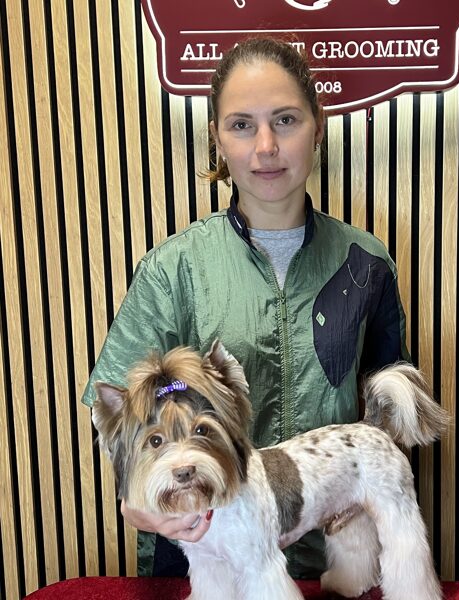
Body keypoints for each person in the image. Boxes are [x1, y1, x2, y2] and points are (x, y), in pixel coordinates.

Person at [81, 37, 410, 580]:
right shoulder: (172, 269)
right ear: (217, 138)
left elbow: (389, 405)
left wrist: (372, 486)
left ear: (318, 125)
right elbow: (115, 411)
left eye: (285, 120)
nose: (266, 146)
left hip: (333, 561)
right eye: (241, 125)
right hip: (203, 553)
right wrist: (137, 504)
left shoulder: (367, 263)